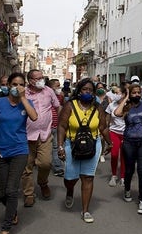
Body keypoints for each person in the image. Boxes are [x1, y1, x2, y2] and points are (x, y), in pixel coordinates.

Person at [0, 72, 37, 234]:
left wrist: (23, 98)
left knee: (11, 189)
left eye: (21, 84)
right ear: (8, 85)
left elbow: (34, 117)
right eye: (14, 84)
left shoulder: (26, 103)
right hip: (0, 151)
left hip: (19, 151)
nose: (17, 87)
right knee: (1, 193)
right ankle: (12, 211)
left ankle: (6, 227)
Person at [56, 78, 112, 223]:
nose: (88, 92)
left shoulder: (97, 107)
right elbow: (61, 126)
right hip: (72, 144)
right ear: (79, 91)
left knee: (87, 177)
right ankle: (70, 190)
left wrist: (109, 143)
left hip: (92, 145)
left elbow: (103, 127)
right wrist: (60, 146)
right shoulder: (70, 105)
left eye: (90, 90)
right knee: (71, 177)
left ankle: (85, 210)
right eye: (85, 89)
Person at [114, 83, 142, 213]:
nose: (136, 95)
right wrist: (126, 97)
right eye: (134, 93)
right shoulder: (126, 106)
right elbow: (117, 113)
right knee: (129, 170)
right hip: (128, 143)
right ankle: (127, 189)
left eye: (138, 92)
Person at [21, 69, 61, 207]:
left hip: (45, 134)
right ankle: (28, 193)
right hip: (26, 136)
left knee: (45, 163)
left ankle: (43, 182)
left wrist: (60, 124)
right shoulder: (23, 93)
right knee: (27, 166)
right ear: (30, 81)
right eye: (37, 78)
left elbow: (57, 106)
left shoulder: (48, 91)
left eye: (42, 77)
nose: (41, 80)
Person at [105, 86, 126, 187]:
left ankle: (122, 177)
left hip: (125, 134)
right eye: (115, 93)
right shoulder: (111, 105)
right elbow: (107, 119)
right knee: (114, 155)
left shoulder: (128, 105)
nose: (117, 95)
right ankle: (114, 176)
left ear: (124, 95)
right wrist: (105, 131)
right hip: (113, 132)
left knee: (123, 156)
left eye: (119, 93)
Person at [48, 79, 65, 177]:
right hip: (46, 126)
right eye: (57, 86)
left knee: (56, 147)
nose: (59, 88)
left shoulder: (60, 96)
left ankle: (58, 168)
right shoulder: (46, 96)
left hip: (57, 125)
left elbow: (61, 108)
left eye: (59, 86)